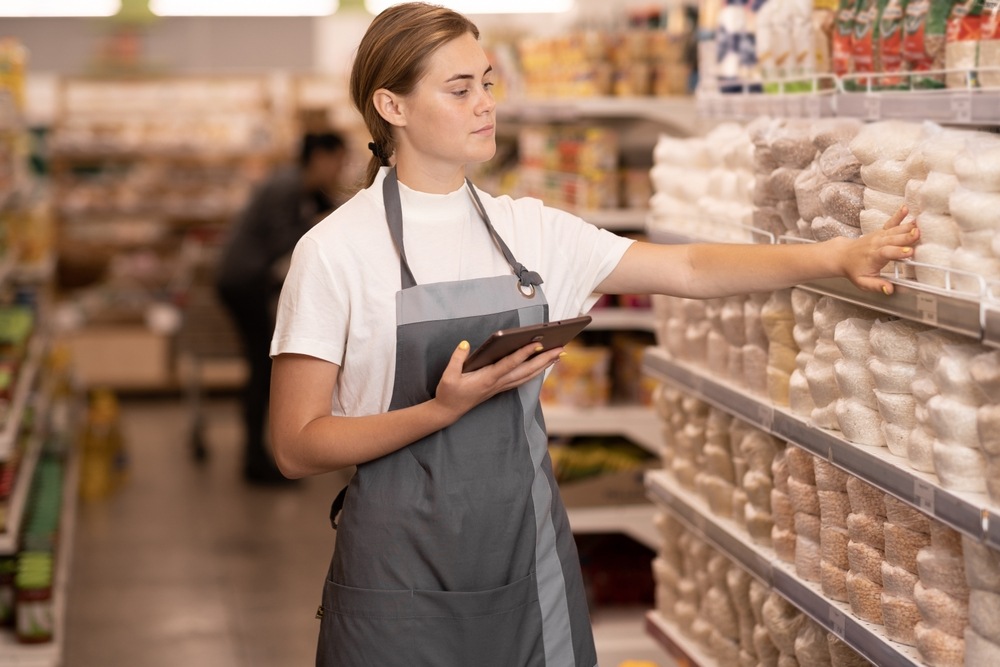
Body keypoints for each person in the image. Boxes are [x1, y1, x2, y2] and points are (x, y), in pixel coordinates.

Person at [268, 3, 919, 665]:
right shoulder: (335, 252)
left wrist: (833, 257)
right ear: (392, 106)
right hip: (397, 582)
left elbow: (689, 265)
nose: (485, 103)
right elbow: (295, 444)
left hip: (527, 559)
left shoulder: (528, 232)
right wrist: (441, 409)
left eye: (488, 82)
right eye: (459, 90)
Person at [216, 131, 347, 485]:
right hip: (243, 283)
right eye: (338, 161)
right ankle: (255, 460)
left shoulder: (297, 185)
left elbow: (328, 204)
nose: (340, 169)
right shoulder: (285, 188)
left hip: (248, 281)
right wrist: (320, 224)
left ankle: (257, 456)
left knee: (260, 366)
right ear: (319, 158)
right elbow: (281, 240)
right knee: (261, 367)